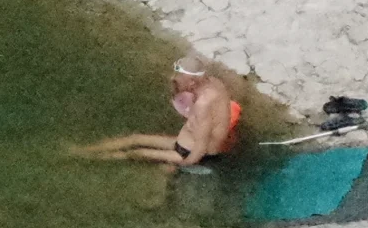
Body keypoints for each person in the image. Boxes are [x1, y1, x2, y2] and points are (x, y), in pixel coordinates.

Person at [72, 55, 242, 168]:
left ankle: (88, 159)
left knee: (136, 152)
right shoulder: (214, 83)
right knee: (135, 138)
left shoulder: (203, 104)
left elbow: (201, 147)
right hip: (184, 142)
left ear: (191, 82)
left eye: (178, 79)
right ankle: (84, 150)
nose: (174, 80)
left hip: (189, 153)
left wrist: (180, 164)